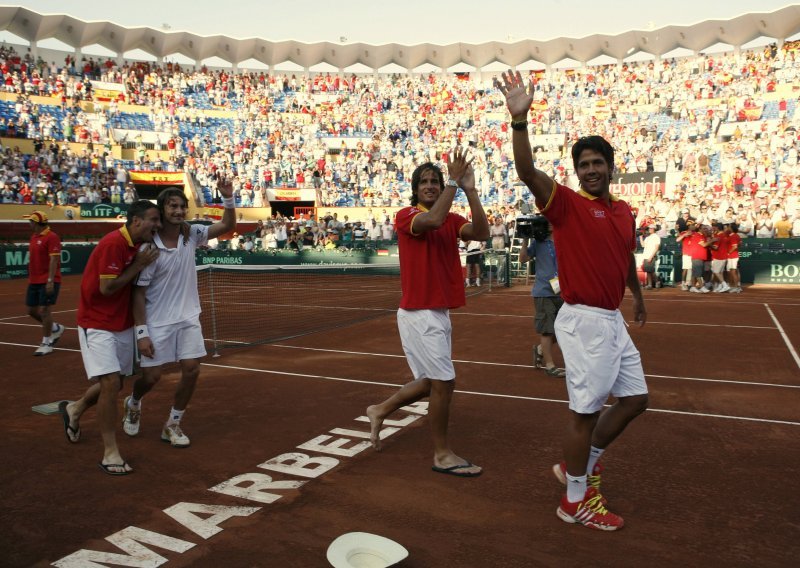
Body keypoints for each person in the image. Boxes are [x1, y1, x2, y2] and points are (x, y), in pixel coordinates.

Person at [499, 70, 648, 531]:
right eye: (583, 164)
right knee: (584, 413)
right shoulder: (565, 204)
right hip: (583, 320)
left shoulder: (625, 212)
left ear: (610, 165)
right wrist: (519, 121)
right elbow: (526, 172)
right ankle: (575, 501)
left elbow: (625, 257)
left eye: (597, 162)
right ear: (577, 170)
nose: (591, 169)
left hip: (612, 319)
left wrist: (637, 298)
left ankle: (578, 465)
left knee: (636, 399)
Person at [366, 148, 489, 478]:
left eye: (435, 181)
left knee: (429, 383)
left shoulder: (453, 219)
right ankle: (441, 454)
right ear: (416, 189)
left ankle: (379, 410)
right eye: (426, 182)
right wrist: (453, 180)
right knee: (445, 383)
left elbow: (482, 233)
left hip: (437, 314)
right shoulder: (407, 216)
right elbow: (432, 220)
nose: (431, 186)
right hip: (419, 314)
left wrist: (472, 190)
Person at [124, 180, 235, 448]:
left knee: (192, 369)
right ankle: (134, 401)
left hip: (188, 318)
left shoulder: (192, 233)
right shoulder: (149, 248)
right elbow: (138, 293)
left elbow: (227, 226)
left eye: (182, 206)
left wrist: (228, 198)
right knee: (150, 378)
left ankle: (172, 424)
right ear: (162, 209)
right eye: (173, 206)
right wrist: (142, 334)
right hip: (157, 321)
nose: (178, 210)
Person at [58, 201, 161, 475]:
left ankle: (75, 409)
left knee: (114, 385)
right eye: (153, 219)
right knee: (111, 381)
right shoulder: (113, 243)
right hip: (97, 322)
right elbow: (107, 288)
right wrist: (138, 264)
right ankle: (110, 453)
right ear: (136, 221)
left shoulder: (140, 245)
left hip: (122, 324)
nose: (157, 225)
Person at [518, 216, 565, 377]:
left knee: (563, 330)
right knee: (546, 330)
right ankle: (550, 365)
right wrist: (525, 240)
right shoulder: (538, 242)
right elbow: (523, 259)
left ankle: (539, 350)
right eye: (547, 222)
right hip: (544, 291)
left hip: (563, 291)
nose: (550, 223)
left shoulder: (563, 239)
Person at [23, 210, 65, 355]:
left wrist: (50, 281)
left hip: (47, 280)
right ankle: (55, 328)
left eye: (31, 221)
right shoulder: (33, 237)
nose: (29, 223)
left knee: (45, 311)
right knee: (31, 310)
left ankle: (47, 343)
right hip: (34, 280)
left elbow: (54, 259)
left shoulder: (52, 237)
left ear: (36, 223)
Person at [640, 224, 661, 290]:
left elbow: (656, 248)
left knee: (651, 270)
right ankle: (650, 284)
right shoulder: (648, 237)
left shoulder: (656, 237)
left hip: (651, 256)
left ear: (654, 229)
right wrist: (640, 237)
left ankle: (657, 281)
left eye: (651, 228)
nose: (649, 229)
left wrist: (651, 257)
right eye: (649, 228)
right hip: (646, 256)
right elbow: (643, 245)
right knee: (648, 271)